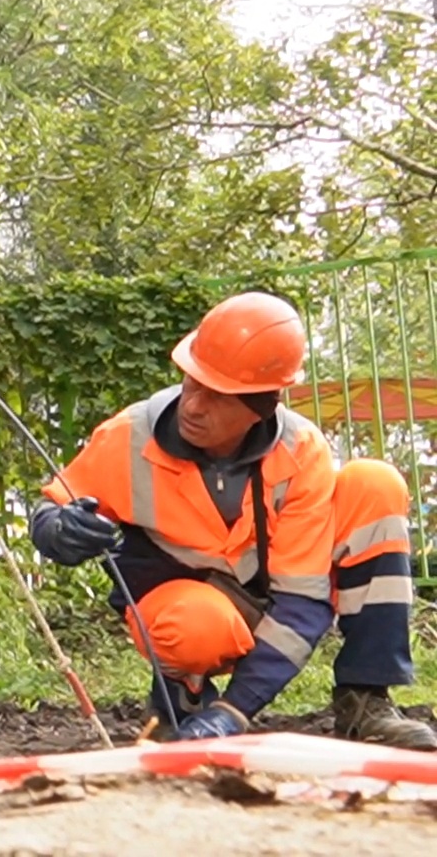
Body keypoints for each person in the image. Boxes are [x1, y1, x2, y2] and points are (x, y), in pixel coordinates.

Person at [29, 291, 435, 749]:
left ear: (262, 406)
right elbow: (50, 510)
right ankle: (180, 700)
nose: (194, 405)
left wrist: (234, 712)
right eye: (191, 382)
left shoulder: (300, 450)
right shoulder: (128, 435)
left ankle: (365, 700)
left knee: (374, 483)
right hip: (190, 609)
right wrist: (59, 530)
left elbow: (303, 602)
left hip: (271, 602)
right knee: (192, 626)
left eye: (217, 396)